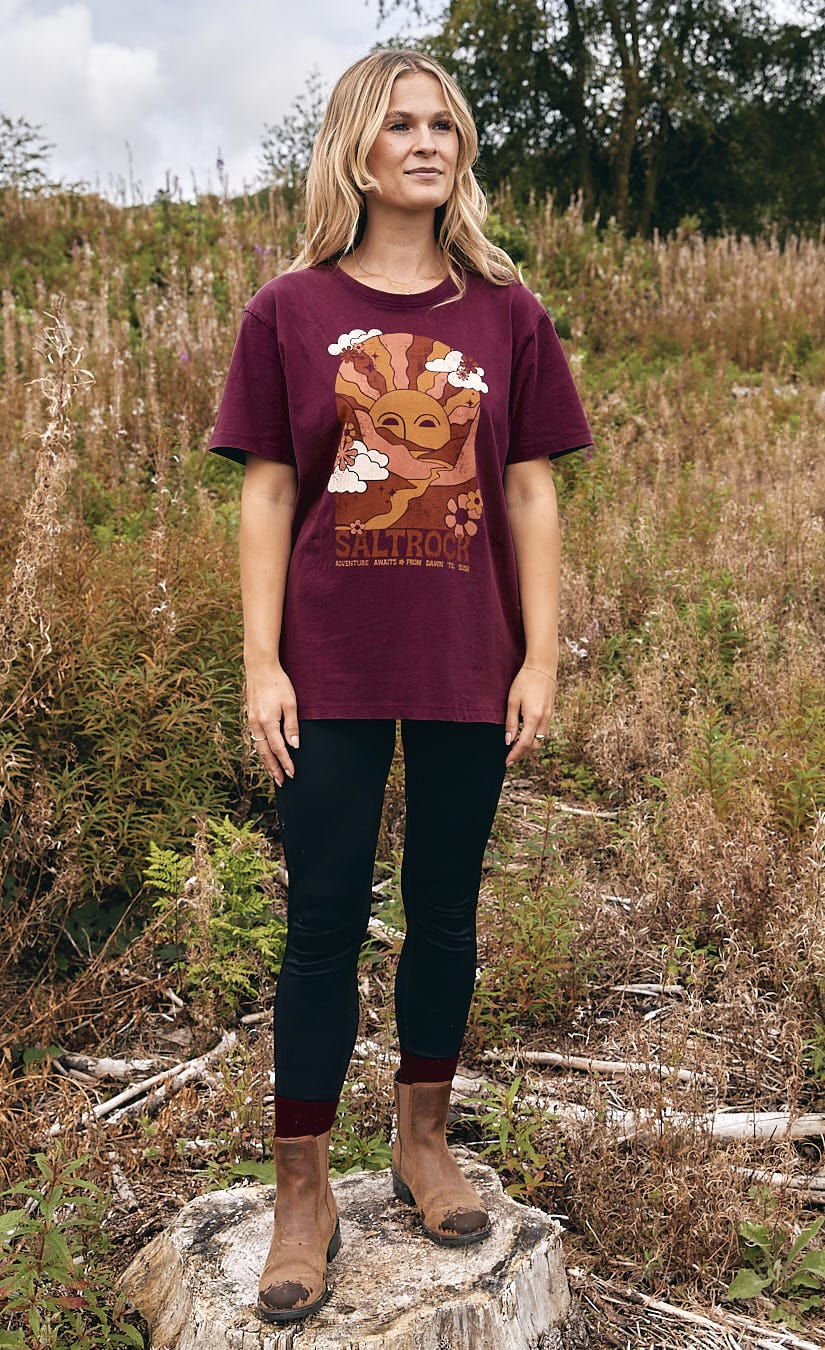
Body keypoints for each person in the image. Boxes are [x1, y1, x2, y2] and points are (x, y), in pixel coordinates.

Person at [207, 47, 592, 1324]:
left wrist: (540, 650)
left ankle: (422, 1142)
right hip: (329, 661)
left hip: (465, 659)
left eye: (444, 124)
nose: (425, 143)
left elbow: (531, 486)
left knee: (445, 911)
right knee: (321, 918)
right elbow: (269, 489)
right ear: (356, 149)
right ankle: (303, 1190)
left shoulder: (506, 312)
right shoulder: (292, 311)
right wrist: (261, 658)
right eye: (399, 124)